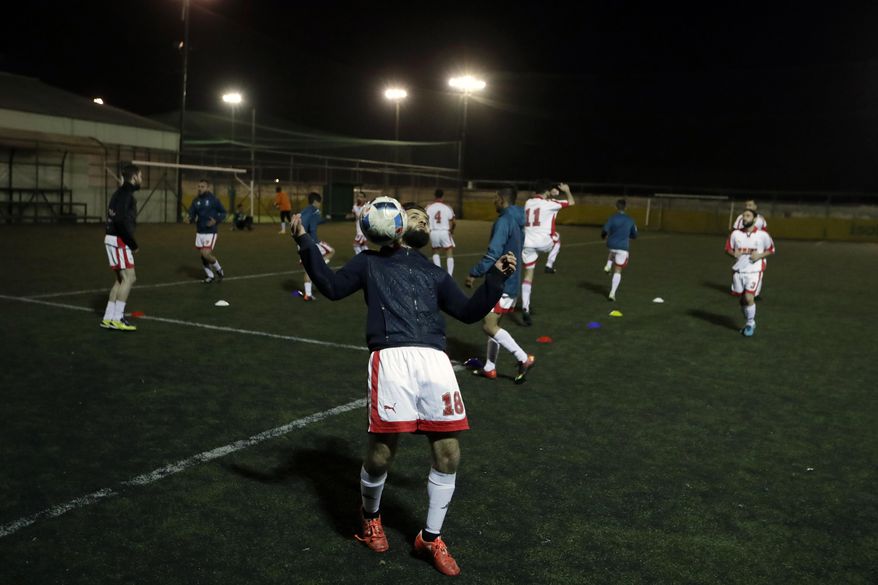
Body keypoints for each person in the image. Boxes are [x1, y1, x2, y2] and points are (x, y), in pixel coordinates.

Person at [290, 198, 515, 577]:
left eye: (426, 218)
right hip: (391, 360)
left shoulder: (432, 272)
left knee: (449, 452)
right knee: (381, 454)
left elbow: (467, 312)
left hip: (434, 362)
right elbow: (328, 285)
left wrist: (496, 277)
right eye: (416, 216)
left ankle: (430, 537)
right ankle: (371, 518)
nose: (423, 221)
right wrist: (303, 241)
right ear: (395, 225)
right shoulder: (370, 262)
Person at [466, 187, 535, 383]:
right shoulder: (517, 218)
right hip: (509, 280)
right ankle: (490, 367)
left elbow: (493, 253)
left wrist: (474, 272)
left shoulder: (505, 220)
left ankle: (523, 359)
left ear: (501, 199)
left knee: (489, 325)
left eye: (494, 198)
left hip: (502, 283)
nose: (493, 201)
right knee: (494, 324)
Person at [520, 181, 575, 325]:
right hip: (543, 243)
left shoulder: (528, 202)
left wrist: (551, 194)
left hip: (527, 244)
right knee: (557, 238)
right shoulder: (551, 204)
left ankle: (525, 307)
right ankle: (549, 265)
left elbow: (541, 201)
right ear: (547, 191)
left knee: (528, 276)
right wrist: (566, 190)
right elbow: (571, 202)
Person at [100, 163, 142, 331]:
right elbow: (119, 221)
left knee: (120, 279)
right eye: (140, 176)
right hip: (119, 240)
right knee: (129, 278)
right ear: (134, 177)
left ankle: (108, 318)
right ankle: (118, 319)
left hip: (111, 238)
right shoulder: (126, 195)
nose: (141, 179)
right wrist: (132, 244)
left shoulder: (119, 193)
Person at [725, 208, 775, 336]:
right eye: (743, 216)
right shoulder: (735, 234)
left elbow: (771, 249)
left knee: (749, 297)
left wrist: (759, 256)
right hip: (738, 271)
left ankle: (750, 323)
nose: (744, 218)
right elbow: (728, 249)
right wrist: (733, 253)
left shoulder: (763, 235)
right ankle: (748, 320)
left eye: (747, 216)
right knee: (743, 300)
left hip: (754, 270)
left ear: (754, 219)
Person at [186, 178, 227, 283]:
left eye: (202, 187)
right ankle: (210, 276)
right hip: (200, 232)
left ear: (207, 188)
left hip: (211, 231)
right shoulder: (196, 201)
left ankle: (219, 269)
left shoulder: (214, 199)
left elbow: (223, 213)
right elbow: (192, 214)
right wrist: (189, 219)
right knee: (203, 257)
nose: (200, 189)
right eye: (199, 186)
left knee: (206, 254)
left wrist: (216, 220)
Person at [298, 192, 335, 300]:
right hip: (310, 242)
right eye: (319, 203)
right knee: (331, 251)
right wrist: (315, 241)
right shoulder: (314, 211)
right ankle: (318, 266)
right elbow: (313, 227)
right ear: (315, 202)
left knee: (307, 269)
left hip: (300, 243)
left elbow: (310, 222)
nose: (319, 205)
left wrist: (325, 219)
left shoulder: (304, 210)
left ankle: (308, 295)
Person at [601, 199, 638, 302]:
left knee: (613, 251)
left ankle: (608, 265)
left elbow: (604, 230)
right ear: (626, 208)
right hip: (623, 247)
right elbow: (634, 235)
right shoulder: (630, 220)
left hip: (611, 244)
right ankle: (612, 293)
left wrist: (603, 237)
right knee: (618, 269)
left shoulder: (612, 218)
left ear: (616, 207)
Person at [425, 188, 457, 276]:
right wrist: (452, 230)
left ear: (435, 196)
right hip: (444, 232)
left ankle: (439, 273)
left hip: (433, 232)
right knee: (449, 251)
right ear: (443, 196)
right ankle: (449, 275)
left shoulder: (428, 207)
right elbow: (453, 222)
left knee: (435, 251)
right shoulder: (447, 207)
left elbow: (424, 220)